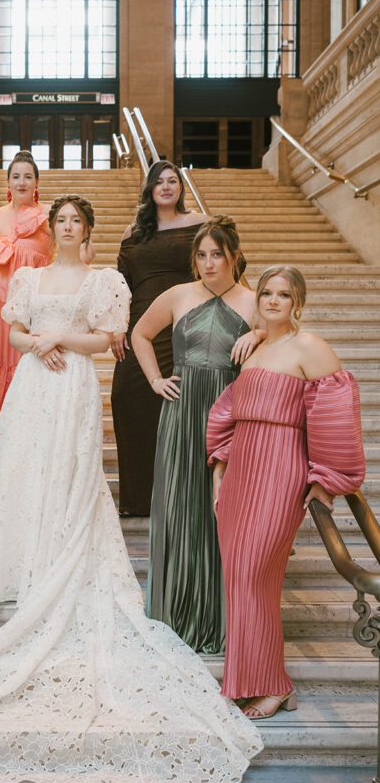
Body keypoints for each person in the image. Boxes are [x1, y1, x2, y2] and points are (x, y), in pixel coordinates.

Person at [0, 195, 263, 783]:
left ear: (88, 229)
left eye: (77, 221)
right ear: (51, 230)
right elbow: (13, 331)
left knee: (72, 471)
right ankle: (25, 555)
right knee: (25, 469)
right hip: (33, 385)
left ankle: (67, 547)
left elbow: (109, 340)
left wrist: (60, 341)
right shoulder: (28, 275)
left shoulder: (103, 279)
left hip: (71, 383)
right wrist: (36, 342)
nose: (68, 228)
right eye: (61, 222)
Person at [208, 266, 365, 719]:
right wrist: (219, 472)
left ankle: (274, 684)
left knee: (257, 574)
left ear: (298, 302)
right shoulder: (255, 348)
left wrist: (326, 482)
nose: (273, 300)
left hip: (281, 470)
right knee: (238, 578)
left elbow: (337, 412)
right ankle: (244, 681)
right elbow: (230, 413)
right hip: (240, 474)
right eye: (266, 293)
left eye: (283, 294)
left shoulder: (309, 346)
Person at [131, 215, 260, 655]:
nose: (208, 263)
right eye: (201, 255)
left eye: (216, 255)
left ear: (233, 256)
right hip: (182, 411)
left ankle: (221, 615)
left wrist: (259, 332)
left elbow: (285, 336)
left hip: (230, 414)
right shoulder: (177, 295)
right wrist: (155, 381)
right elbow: (141, 334)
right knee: (179, 506)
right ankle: (176, 614)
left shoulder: (252, 301)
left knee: (219, 511)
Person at [111, 161, 205, 517]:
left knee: (180, 404)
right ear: (149, 188)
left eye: (173, 181)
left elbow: (226, 267)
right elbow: (122, 285)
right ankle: (138, 499)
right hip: (142, 326)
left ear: (180, 187)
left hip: (186, 323)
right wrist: (118, 325)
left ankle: (179, 495)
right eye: (159, 182)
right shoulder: (134, 231)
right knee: (126, 394)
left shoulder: (199, 224)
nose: (166, 187)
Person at [0, 150, 52, 422]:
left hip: (32, 309)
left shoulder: (48, 216)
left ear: (37, 183)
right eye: (16, 176)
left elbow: (72, 252)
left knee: (26, 368)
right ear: (7, 183)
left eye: (28, 177)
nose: (21, 182)